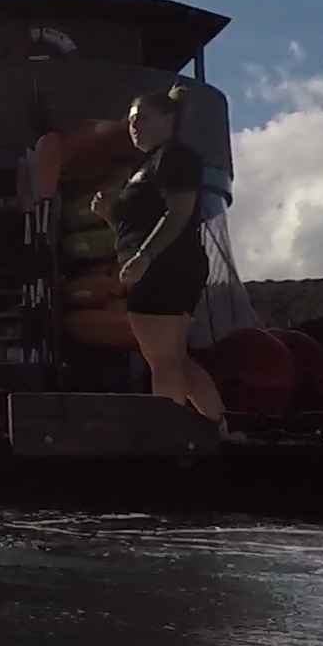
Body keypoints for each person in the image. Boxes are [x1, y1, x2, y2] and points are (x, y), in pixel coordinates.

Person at [89, 86, 228, 430]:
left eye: (142, 118)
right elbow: (136, 224)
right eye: (131, 121)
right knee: (174, 359)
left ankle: (168, 436)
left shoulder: (174, 157)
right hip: (159, 267)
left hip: (166, 268)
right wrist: (109, 214)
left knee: (163, 362)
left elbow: (179, 213)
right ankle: (218, 427)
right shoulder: (149, 163)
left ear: (168, 119)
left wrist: (144, 256)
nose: (133, 126)